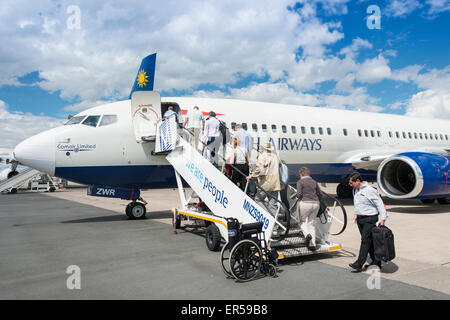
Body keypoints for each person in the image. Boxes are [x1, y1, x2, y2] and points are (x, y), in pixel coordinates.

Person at [348, 172, 388, 272]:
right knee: (369, 241)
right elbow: (358, 203)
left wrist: (383, 219)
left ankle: (359, 263)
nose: (350, 185)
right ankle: (376, 262)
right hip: (360, 219)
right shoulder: (355, 190)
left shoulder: (370, 190)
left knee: (365, 240)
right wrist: (356, 213)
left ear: (357, 181)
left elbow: (379, 204)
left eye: (351, 183)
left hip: (370, 218)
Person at [246, 141, 281, 216]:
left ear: (263, 148)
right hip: (275, 184)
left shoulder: (262, 156)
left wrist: (251, 176)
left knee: (258, 200)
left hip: (265, 183)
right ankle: (274, 225)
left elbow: (260, 170)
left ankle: (267, 215)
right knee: (273, 204)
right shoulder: (275, 156)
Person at [294, 167, 322, 251]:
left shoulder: (300, 182)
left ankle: (307, 235)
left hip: (305, 203)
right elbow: (320, 194)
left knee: (301, 221)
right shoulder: (314, 181)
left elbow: (299, 194)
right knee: (311, 223)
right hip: (316, 204)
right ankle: (312, 245)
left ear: (301, 174)